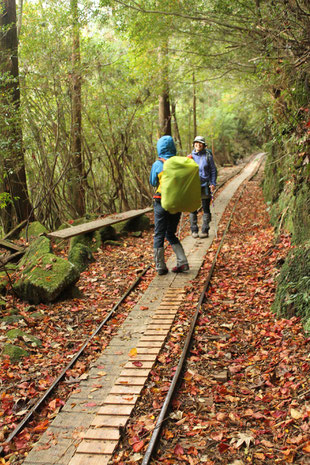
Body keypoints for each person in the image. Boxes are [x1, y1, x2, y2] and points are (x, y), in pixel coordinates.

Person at [150, 135, 189, 275]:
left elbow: (153, 182)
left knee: (159, 234)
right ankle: (183, 262)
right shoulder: (179, 162)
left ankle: (160, 266)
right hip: (176, 203)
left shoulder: (158, 164)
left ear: (159, 148)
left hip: (161, 202)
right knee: (170, 233)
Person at [188, 135, 217, 238]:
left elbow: (213, 170)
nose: (198, 144)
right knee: (193, 209)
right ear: (194, 144)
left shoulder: (208, 156)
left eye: (200, 143)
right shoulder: (190, 157)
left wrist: (213, 183)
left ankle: (205, 230)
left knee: (205, 208)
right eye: (196, 142)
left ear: (204, 145)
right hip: (193, 187)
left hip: (205, 185)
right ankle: (194, 230)